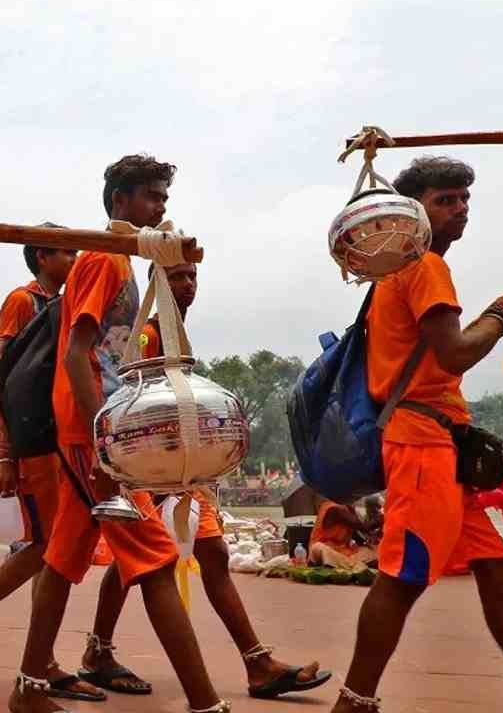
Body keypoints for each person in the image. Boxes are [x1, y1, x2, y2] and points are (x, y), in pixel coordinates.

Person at [13, 155, 228, 713]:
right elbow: (78, 352)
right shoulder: (107, 260)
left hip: (94, 431)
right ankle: (205, 703)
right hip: (93, 435)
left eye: (163, 198)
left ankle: (28, 688)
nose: (160, 208)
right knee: (156, 559)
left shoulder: (124, 262)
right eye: (151, 197)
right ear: (119, 203)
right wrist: (103, 443)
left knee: (62, 559)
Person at [87, 259, 329, 700]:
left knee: (192, 556)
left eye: (191, 276)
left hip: (180, 470)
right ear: (156, 283)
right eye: (176, 276)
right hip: (154, 469)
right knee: (160, 560)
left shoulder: (176, 335)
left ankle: (255, 662)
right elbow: (135, 403)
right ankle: (251, 663)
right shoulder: (147, 335)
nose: (187, 285)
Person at [332, 157, 503, 713]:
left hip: (451, 444)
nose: (459, 209)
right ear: (414, 213)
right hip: (422, 443)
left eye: (463, 199)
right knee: (401, 577)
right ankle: (354, 702)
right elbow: (455, 353)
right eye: (445, 200)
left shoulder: (404, 271)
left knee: (501, 571)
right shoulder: (424, 266)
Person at [0, 240, 102, 701]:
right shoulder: (21, 302)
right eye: (65, 253)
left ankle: (40, 659)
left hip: (56, 440)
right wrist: (5, 454)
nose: (73, 260)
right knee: (49, 545)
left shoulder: (64, 304)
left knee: (53, 547)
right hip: (30, 444)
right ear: (42, 258)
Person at [309, 499, 378, 571]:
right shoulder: (334, 508)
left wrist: (371, 543)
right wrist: (383, 517)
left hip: (343, 555)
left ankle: (349, 566)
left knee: (375, 551)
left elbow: (358, 536)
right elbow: (361, 525)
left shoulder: (350, 509)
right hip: (327, 551)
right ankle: (353, 567)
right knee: (318, 547)